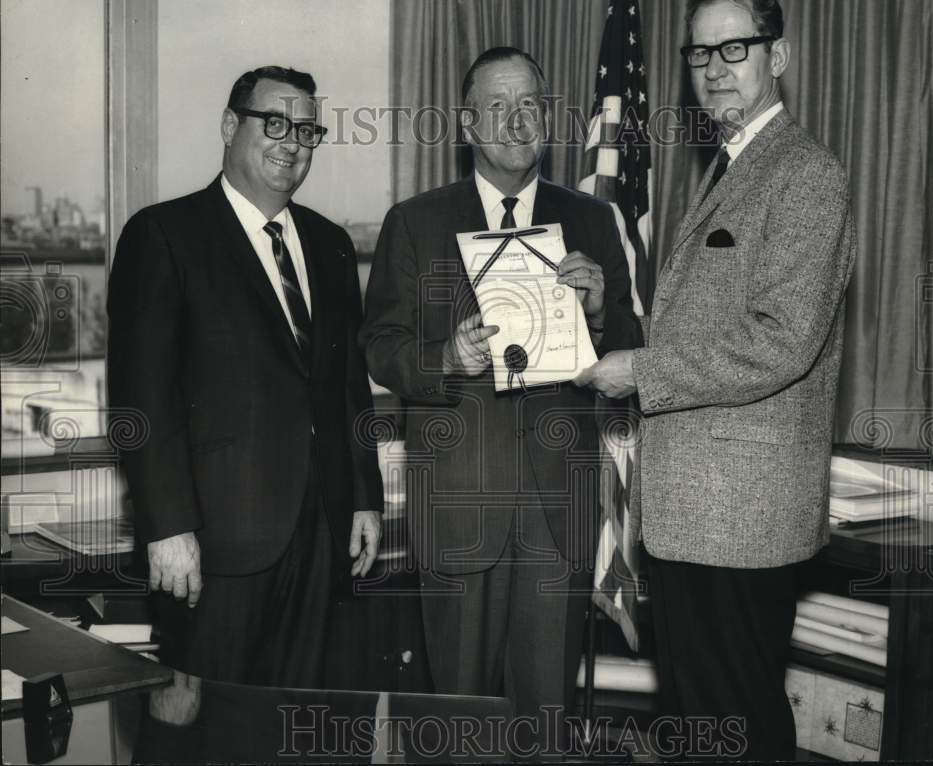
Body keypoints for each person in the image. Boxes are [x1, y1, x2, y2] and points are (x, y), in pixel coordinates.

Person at [576, 0, 856, 760]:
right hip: (699, 514)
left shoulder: (803, 173)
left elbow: (781, 338)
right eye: (700, 52)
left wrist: (644, 371)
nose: (715, 68)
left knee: (733, 724)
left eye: (736, 48)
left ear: (780, 57)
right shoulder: (731, 165)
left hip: (740, 517)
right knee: (706, 724)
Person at [360, 47, 642, 753]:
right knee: (458, 724)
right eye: (498, 107)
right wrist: (444, 358)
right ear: (467, 122)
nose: (516, 122)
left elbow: (632, 352)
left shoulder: (593, 220)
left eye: (532, 107)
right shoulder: (416, 221)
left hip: (557, 511)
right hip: (458, 504)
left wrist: (602, 312)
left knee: (544, 724)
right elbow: (379, 344)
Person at [107, 66, 383, 688]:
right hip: (213, 542)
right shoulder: (164, 235)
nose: (292, 142)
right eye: (275, 123)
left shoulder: (332, 244)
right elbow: (140, 396)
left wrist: (365, 495)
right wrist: (167, 525)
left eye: (307, 130)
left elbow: (348, 387)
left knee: (306, 726)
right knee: (204, 729)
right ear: (231, 126)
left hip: (324, 535)